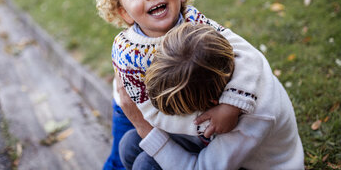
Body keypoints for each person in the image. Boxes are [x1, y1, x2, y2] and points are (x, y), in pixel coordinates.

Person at [93, 0, 262, 169]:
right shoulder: (127, 51)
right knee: (124, 152)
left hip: (183, 116)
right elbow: (142, 110)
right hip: (136, 107)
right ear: (124, 12)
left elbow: (246, 55)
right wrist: (199, 127)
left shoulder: (194, 20)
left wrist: (232, 104)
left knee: (144, 160)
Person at [118, 23, 304, 170]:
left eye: (183, 111)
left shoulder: (253, 119)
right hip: (224, 150)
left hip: (253, 165)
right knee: (130, 144)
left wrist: (144, 126)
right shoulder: (217, 55)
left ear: (211, 104)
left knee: (146, 165)